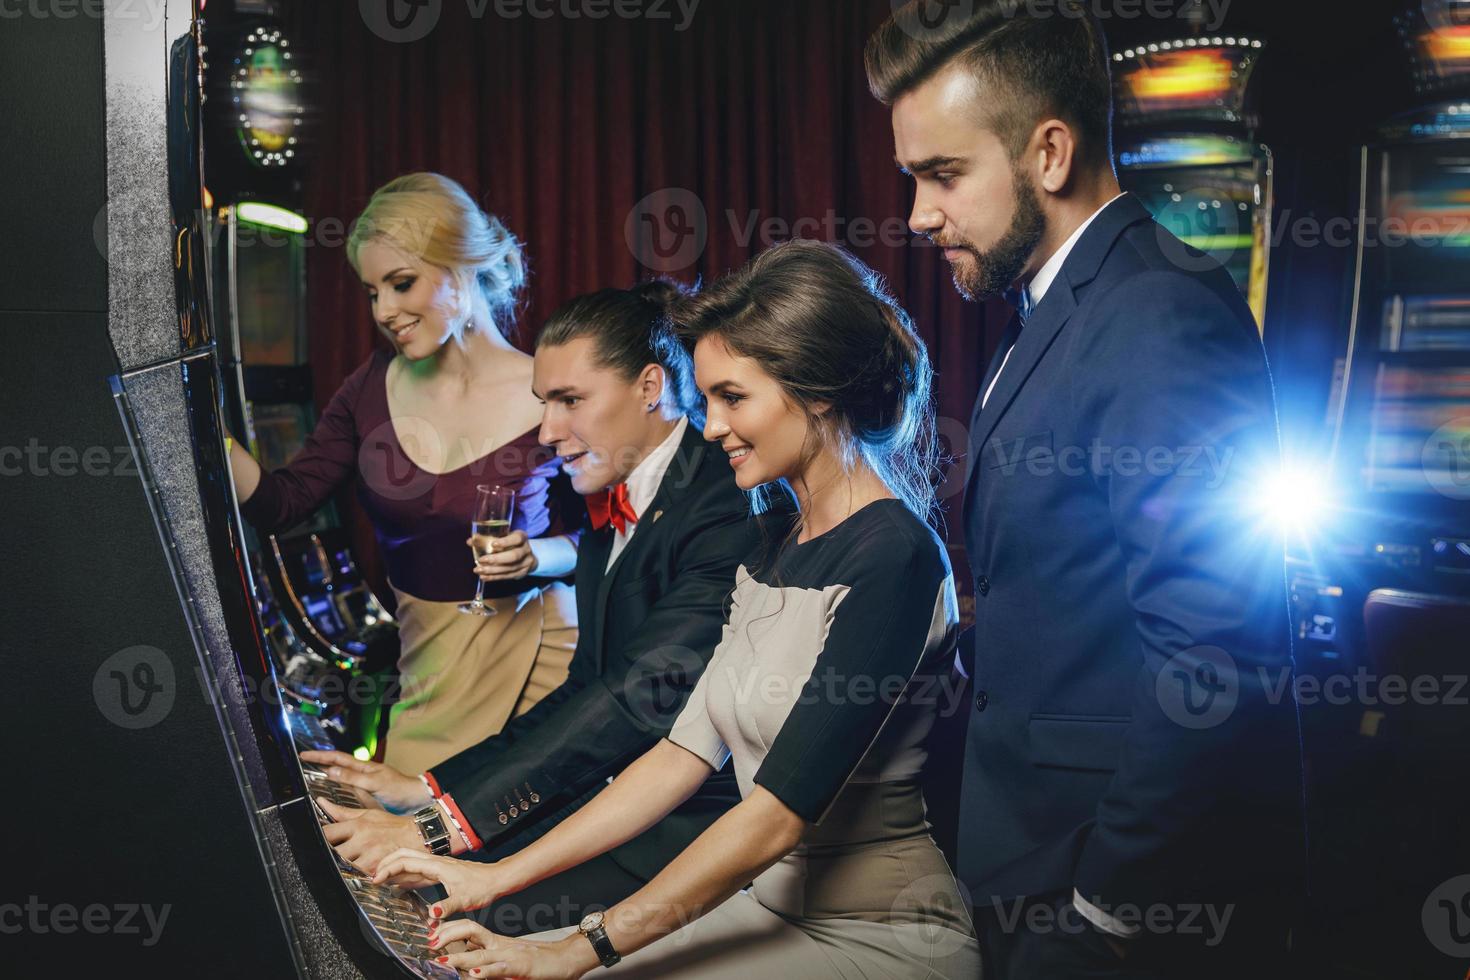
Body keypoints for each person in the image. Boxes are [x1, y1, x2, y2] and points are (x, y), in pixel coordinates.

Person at [372, 239, 982, 979]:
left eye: (733, 397)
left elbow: (774, 816)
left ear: (817, 390)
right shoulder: (772, 535)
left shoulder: (895, 555)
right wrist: (498, 875)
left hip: (875, 934)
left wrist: (578, 946)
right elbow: (681, 754)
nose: (713, 424)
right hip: (766, 905)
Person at [866, 4, 1305, 977]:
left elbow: (1210, 650)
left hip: (1121, 900)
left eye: (943, 175)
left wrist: (1107, 907)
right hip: (1032, 854)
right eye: (913, 179)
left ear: (1050, 152)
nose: (918, 215)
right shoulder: (1062, 301)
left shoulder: (1155, 312)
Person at [303, 280, 791, 937]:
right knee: (417, 889)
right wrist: (428, 788)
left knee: (459, 922)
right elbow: (585, 688)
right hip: (607, 802)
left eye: (570, 401)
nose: (549, 431)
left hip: (695, 832)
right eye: (543, 404)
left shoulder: (728, 498)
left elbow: (636, 697)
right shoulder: (614, 495)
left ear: (649, 387)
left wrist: (439, 825)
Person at [231, 173, 582, 774]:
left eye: (401, 284)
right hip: (428, 664)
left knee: (525, 844)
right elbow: (282, 502)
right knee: (412, 848)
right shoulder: (370, 387)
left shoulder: (549, 391)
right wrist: (202, 423)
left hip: (538, 650)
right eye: (373, 293)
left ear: (462, 269)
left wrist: (535, 556)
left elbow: (618, 538)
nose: (385, 311)